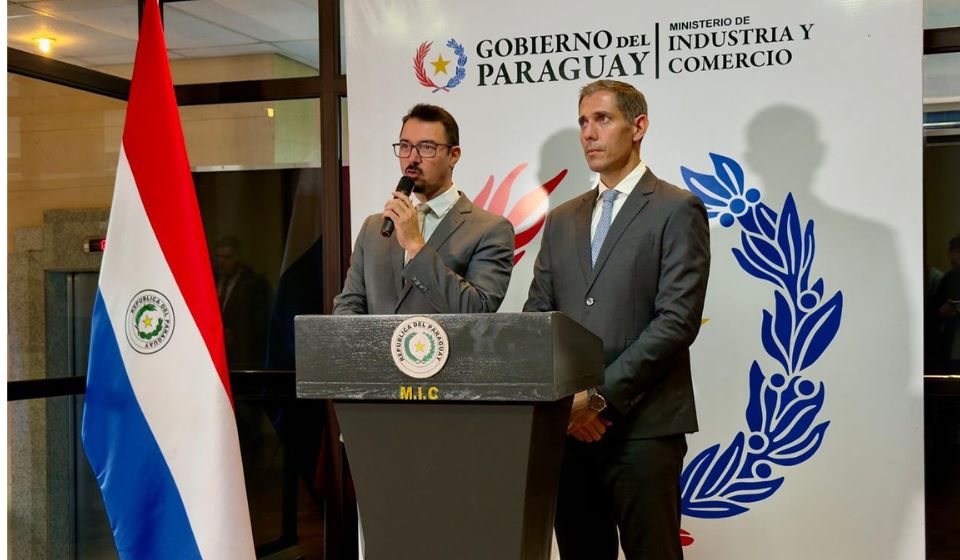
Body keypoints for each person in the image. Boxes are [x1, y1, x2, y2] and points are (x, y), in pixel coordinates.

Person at [524, 80, 711, 559]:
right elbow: (538, 319)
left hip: (643, 431)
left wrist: (599, 400)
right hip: (570, 432)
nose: (588, 133)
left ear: (638, 126)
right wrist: (568, 405)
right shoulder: (561, 218)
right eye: (583, 122)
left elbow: (676, 321)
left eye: (602, 119)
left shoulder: (677, 208)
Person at [333, 103, 515, 315]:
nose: (412, 158)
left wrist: (415, 246)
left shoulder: (490, 230)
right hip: (377, 340)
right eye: (405, 146)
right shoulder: (373, 228)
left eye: (426, 147)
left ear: (453, 155)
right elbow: (348, 306)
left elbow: (478, 310)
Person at [215, 235, 271, 370]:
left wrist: (235, 335)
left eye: (227, 257)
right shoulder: (212, 280)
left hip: (244, 357)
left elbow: (259, 324)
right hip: (217, 355)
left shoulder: (254, 283)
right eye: (219, 257)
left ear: (238, 258)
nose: (222, 262)